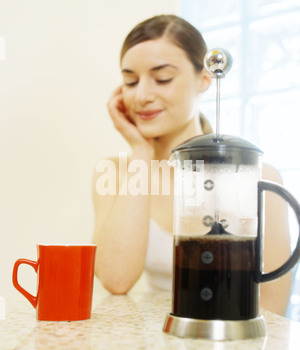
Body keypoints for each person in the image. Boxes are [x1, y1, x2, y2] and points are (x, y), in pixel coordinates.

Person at [92, 15, 292, 316]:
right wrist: (141, 150)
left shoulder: (257, 176)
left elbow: (273, 308)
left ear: (204, 80)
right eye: (130, 81)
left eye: (162, 78)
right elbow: (115, 280)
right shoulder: (116, 172)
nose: (142, 96)